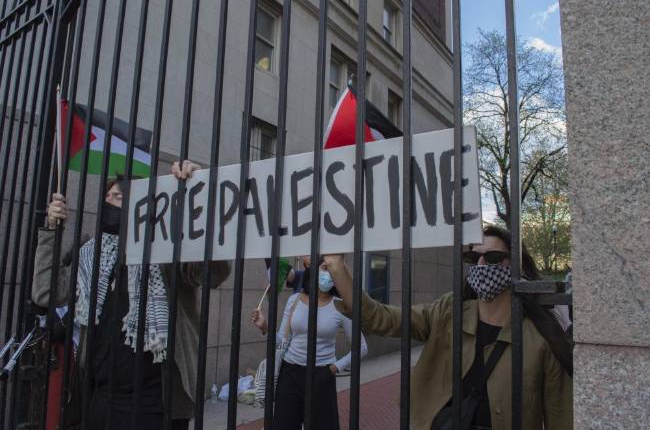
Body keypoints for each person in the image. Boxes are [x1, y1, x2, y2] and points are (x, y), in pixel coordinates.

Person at [32, 161, 231, 430]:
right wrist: (52, 230)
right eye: (108, 197)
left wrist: (197, 196)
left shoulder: (167, 252)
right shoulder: (91, 254)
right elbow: (45, 292)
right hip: (99, 398)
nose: (111, 202)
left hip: (153, 406)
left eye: (120, 197)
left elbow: (214, 274)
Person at [326, 226, 573, 430]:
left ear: (516, 266)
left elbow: (561, 418)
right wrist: (337, 267)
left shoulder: (541, 340)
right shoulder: (448, 311)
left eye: (494, 258)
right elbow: (380, 318)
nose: (482, 264)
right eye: (473, 258)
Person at [250, 258, 368, 430]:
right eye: (324, 268)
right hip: (290, 373)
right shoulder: (295, 300)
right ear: (313, 270)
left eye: (333, 271)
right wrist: (265, 327)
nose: (328, 274)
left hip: (322, 375)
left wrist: (334, 368)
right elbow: (282, 341)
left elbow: (361, 347)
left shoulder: (341, 306)